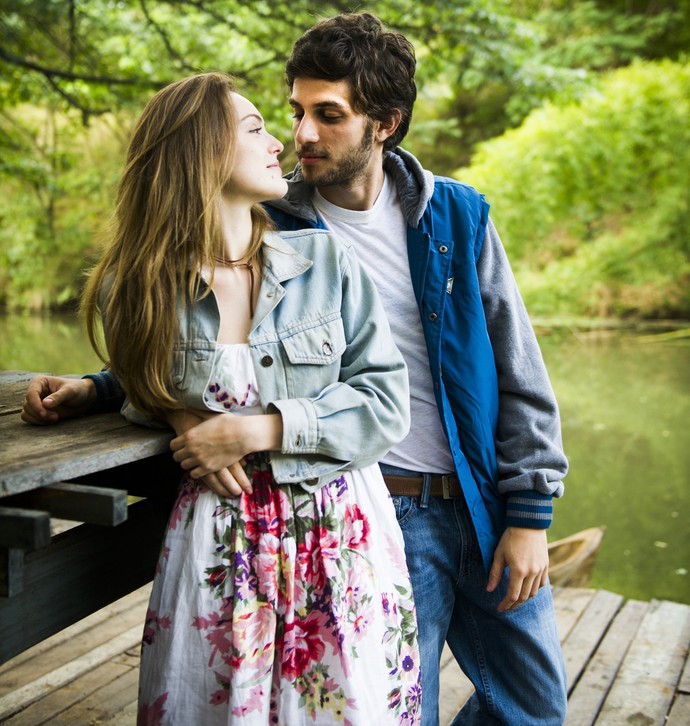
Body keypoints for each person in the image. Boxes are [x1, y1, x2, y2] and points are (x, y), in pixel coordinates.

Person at [22, 13, 569, 726]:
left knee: (535, 707)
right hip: (371, 500)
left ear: (385, 123)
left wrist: (530, 511)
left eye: (329, 115)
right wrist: (101, 387)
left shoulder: (455, 217)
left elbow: (518, 368)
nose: (302, 134)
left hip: (479, 502)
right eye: (294, 113)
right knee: (401, 709)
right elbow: (200, 344)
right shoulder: (273, 224)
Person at [71, 71, 421, 725]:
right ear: (201, 149)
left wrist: (256, 430)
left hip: (338, 535)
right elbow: (144, 382)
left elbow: (385, 400)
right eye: (255, 127)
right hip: (220, 545)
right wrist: (128, 399)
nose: (281, 141)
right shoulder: (137, 286)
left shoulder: (328, 263)